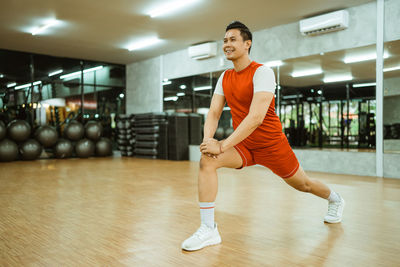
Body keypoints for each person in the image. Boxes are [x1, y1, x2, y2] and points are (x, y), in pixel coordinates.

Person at [181, 21, 345, 252]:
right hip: (243, 146)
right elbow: (214, 112)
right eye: (225, 40)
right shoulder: (225, 77)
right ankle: (209, 229)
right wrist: (209, 141)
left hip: (271, 145)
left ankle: (335, 199)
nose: (227, 44)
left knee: (304, 185)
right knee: (207, 160)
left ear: (247, 44)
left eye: (233, 39)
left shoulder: (262, 72)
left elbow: (256, 117)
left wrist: (223, 144)